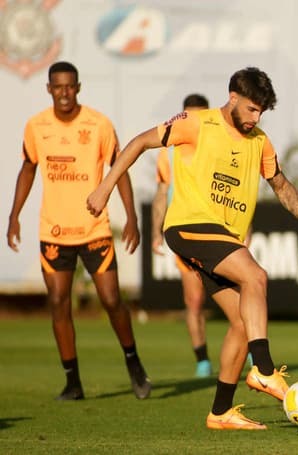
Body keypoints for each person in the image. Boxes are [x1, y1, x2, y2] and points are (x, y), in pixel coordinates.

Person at [87, 67, 298, 430]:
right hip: (188, 226)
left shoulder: (260, 142)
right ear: (232, 97)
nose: (256, 118)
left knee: (240, 322)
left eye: (261, 112)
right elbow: (140, 142)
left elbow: (281, 186)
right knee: (256, 277)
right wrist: (105, 187)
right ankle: (264, 369)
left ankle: (220, 412)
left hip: (222, 236)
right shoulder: (195, 122)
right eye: (251, 109)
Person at [7, 61, 151, 400]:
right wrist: (14, 215)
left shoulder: (98, 125)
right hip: (54, 232)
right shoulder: (36, 126)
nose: (64, 92)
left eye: (70, 86)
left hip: (94, 230)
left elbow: (120, 169)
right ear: (48, 89)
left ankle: (133, 361)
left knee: (112, 299)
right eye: (57, 86)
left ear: (78, 87)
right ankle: (72, 381)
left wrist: (131, 216)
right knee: (58, 302)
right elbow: (28, 169)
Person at [152, 93, 213, 378]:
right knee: (194, 301)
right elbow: (162, 193)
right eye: (188, 116)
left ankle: (252, 352)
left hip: (220, 231)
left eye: (199, 116)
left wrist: (246, 228)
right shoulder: (169, 151)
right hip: (186, 233)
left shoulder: (221, 146)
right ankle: (202, 360)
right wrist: (155, 232)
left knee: (241, 295)